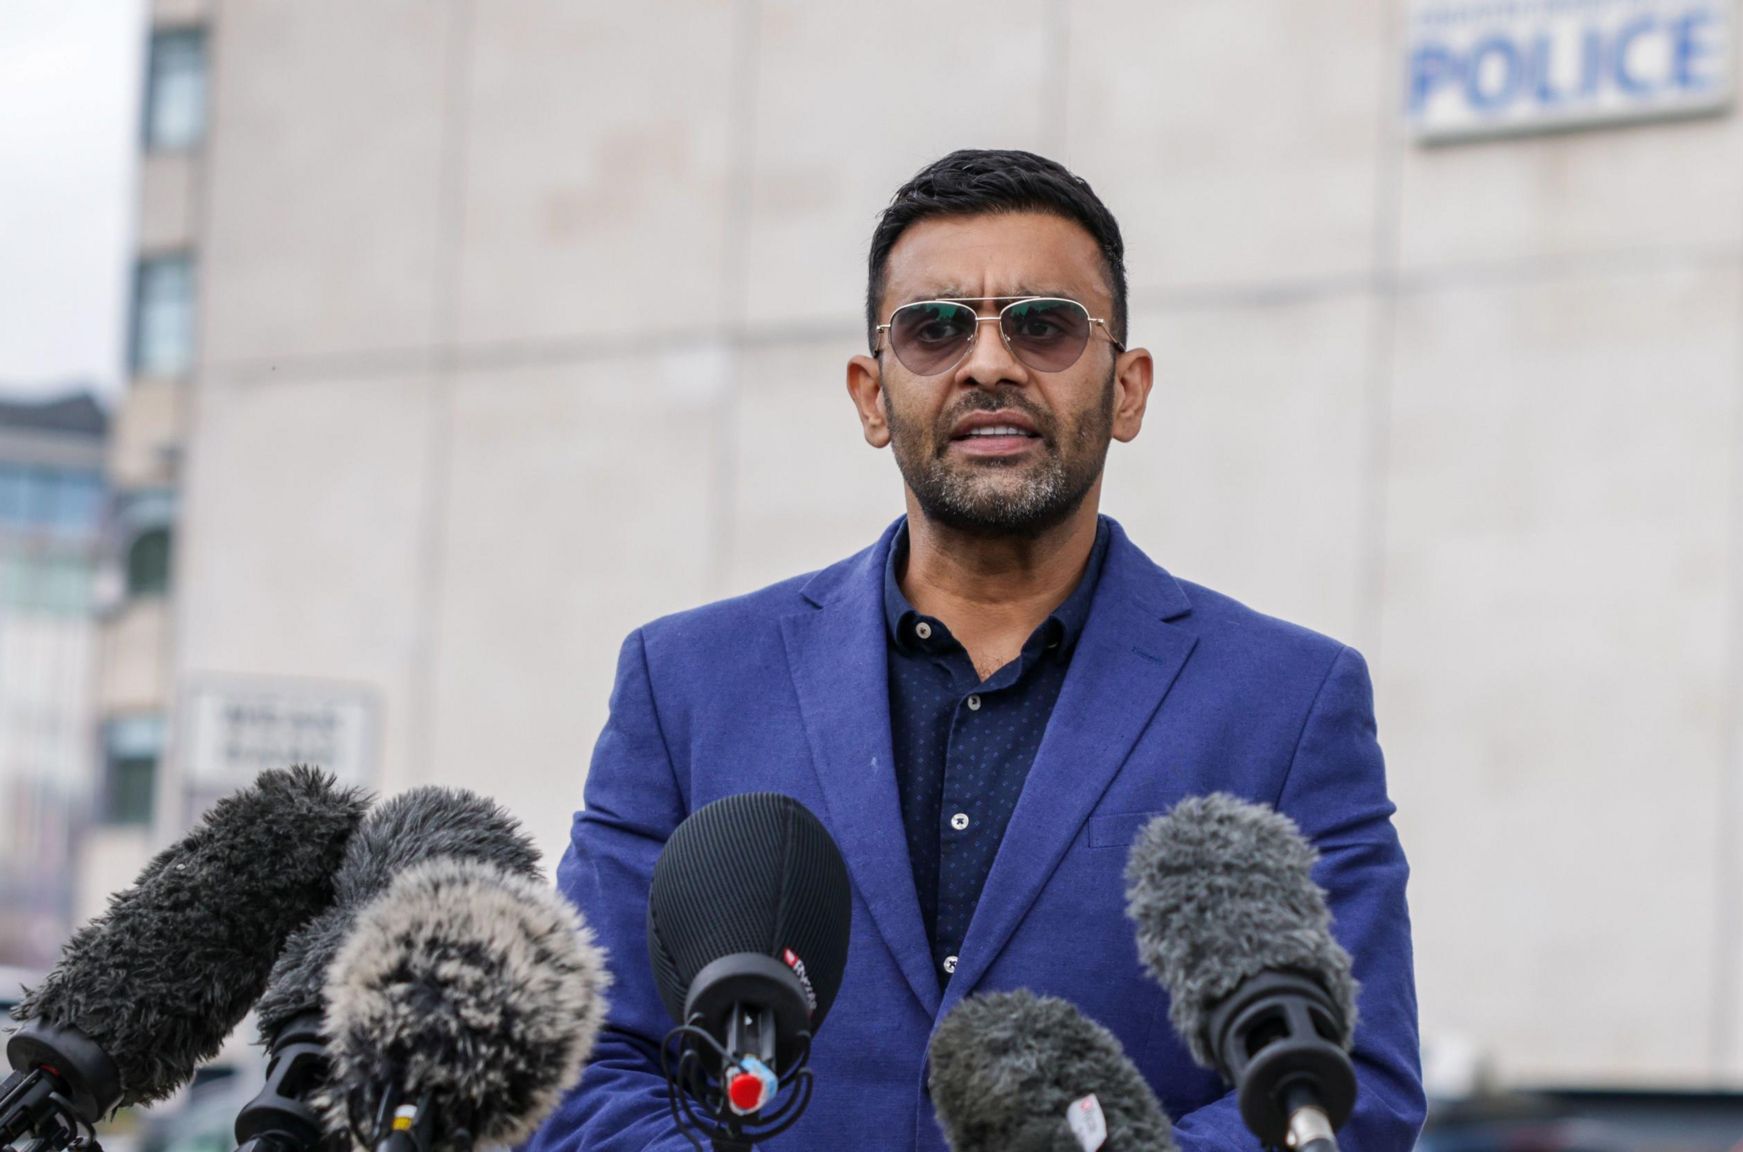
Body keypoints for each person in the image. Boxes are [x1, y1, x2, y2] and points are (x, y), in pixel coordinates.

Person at [523, 149, 1423, 1151]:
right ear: (871, 396)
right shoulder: (685, 685)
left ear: (1126, 390)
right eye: (934, 328)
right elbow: (581, 1067)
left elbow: (1352, 1092)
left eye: (1041, 326)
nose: (988, 363)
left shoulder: (1287, 703)